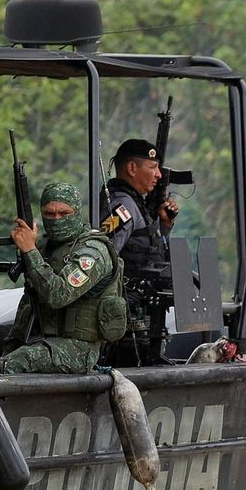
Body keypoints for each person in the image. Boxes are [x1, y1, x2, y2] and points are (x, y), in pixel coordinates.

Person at [0, 182, 123, 374]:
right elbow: (29, 300)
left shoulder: (92, 252)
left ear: (77, 212)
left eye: (64, 213)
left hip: (79, 349)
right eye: (49, 214)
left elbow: (58, 296)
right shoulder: (46, 247)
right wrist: (12, 342)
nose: (57, 219)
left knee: (14, 363)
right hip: (42, 339)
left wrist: (30, 251)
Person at [100, 138, 179, 365]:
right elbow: (104, 254)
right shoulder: (122, 207)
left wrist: (164, 225)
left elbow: (148, 249)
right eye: (153, 167)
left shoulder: (136, 205)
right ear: (132, 168)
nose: (159, 175)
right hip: (124, 320)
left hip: (141, 315)